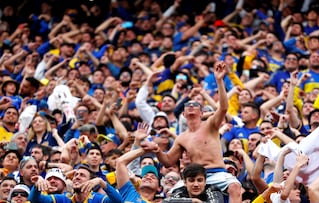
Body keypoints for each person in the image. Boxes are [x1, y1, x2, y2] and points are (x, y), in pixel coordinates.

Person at [143, 61, 242, 203]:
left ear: (201, 112)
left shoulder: (210, 125)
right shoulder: (182, 137)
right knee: (172, 195)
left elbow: (223, 108)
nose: (191, 106)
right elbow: (168, 161)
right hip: (195, 175)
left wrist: (219, 80)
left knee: (234, 187)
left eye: (195, 105)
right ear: (183, 114)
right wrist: (157, 150)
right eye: (187, 105)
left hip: (218, 172)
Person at [28, 164, 121, 203]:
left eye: (82, 175)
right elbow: (34, 200)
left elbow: (118, 201)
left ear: (90, 181)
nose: (77, 177)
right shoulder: (64, 199)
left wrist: (102, 182)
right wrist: (37, 186)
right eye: (75, 175)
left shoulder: (98, 199)